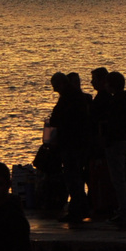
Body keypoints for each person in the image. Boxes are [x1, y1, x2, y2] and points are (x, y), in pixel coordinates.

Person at [49, 71, 92, 224]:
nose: (54, 90)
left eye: (55, 86)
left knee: (72, 178)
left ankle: (77, 210)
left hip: (71, 143)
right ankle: (82, 208)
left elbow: (56, 118)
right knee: (76, 177)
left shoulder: (67, 98)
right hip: (80, 143)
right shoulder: (78, 96)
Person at [101, 70, 126, 231]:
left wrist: (106, 136)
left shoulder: (116, 102)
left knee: (119, 180)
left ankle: (124, 212)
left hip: (116, 143)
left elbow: (112, 124)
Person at [86, 68, 115, 220]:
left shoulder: (102, 100)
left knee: (100, 177)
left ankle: (101, 206)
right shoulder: (105, 99)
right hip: (100, 145)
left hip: (99, 147)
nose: (91, 82)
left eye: (94, 79)